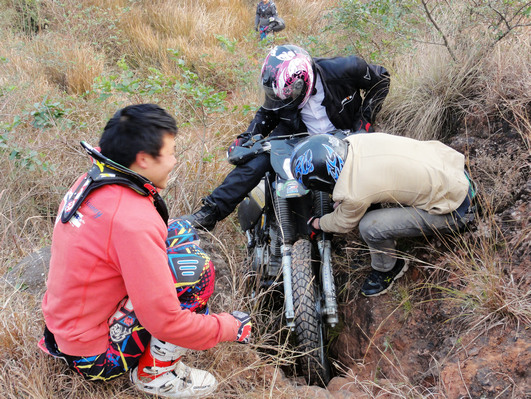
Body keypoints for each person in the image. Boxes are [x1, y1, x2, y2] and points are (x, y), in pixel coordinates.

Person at [39, 104, 252, 398]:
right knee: (196, 270)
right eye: (171, 152)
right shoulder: (132, 219)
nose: (175, 160)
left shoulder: (97, 178)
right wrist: (229, 327)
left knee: (179, 231)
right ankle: (155, 374)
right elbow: (166, 322)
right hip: (93, 356)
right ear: (142, 159)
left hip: (64, 326)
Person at [182, 44, 391, 231]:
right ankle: (211, 212)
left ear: (303, 82)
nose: (280, 99)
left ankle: (374, 235)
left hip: (344, 136)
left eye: (287, 95)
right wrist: (246, 138)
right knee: (257, 161)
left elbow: (381, 79)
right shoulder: (283, 88)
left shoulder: (345, 69)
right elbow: (267, 113)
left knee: (363, 177)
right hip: (297, 135)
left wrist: (364, 122)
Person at [289, 133, 476, 297]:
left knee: (369, 227)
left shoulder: (355, 192)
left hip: (455, 209)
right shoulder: (354, 141)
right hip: (452, 170)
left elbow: (342, 224)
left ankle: (388, 268)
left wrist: (318, 223)